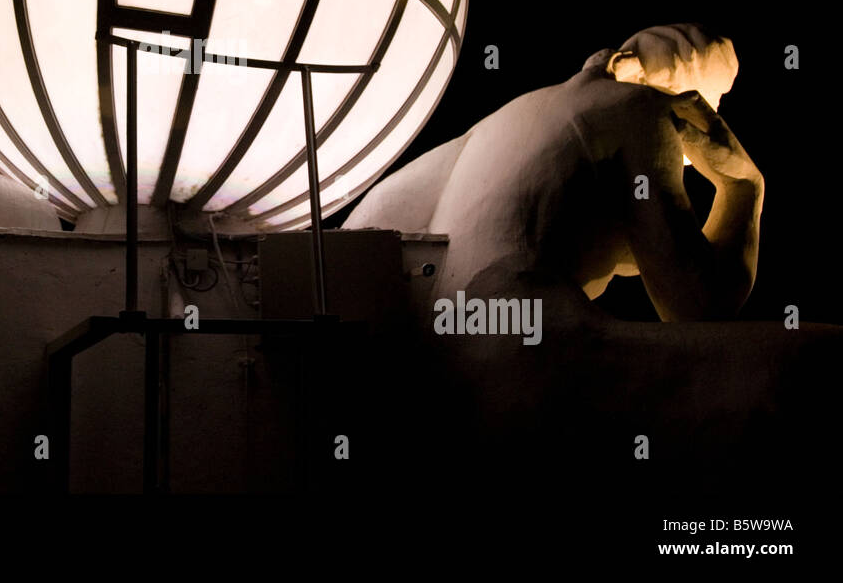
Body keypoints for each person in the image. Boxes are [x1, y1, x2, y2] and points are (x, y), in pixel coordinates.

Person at [346, 24, 839, 472]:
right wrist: (743, 187)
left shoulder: (497, 123)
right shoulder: (641, 107)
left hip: (406, 384)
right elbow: (699, 301)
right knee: (816, 361)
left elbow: (357, 244)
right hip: (520, 367)